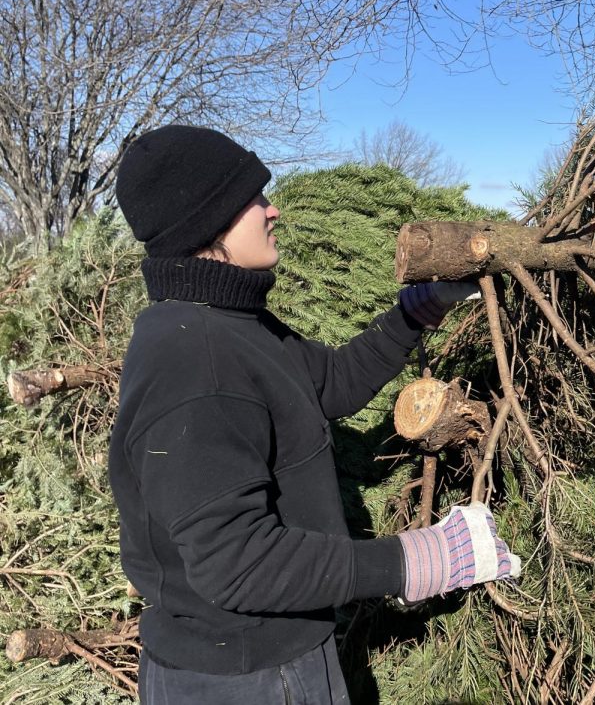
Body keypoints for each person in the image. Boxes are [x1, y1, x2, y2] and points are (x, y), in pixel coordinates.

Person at [108, 125, 520, 704]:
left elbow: (327, 384)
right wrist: (413, 560)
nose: (272, 210)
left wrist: (414, 312)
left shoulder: (229, 321)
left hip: (276, 656)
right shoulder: (194, 363)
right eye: (253, 199)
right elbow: (236, 564)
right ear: (209, 221)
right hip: (242, 681)